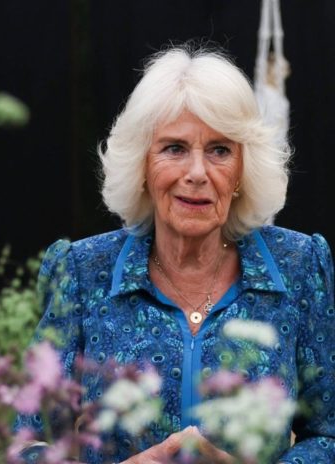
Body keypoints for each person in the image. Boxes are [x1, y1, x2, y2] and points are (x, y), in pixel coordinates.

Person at [17, 45, 335, 463]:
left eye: (220, 150)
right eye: (174, 148)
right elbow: (20, 442)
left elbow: (328, 436)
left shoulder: (298, 266)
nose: (197, 173)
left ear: (242, 169)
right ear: (143, 167)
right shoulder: (82, 272)